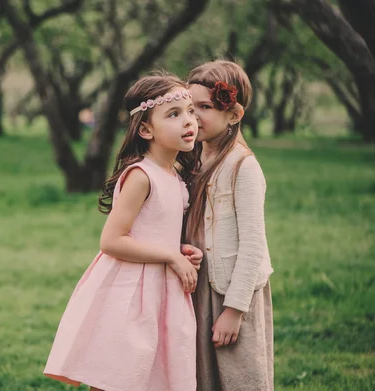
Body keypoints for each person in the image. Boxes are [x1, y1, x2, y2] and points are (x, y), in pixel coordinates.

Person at [44, 72, 201, 391]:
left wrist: (180, 249)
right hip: (130, 293)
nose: (188, 121)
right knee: (118, 377)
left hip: (162, 291)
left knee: (152, 377)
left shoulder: (175, 175)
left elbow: (155, 229)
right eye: (173, 114)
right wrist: (170, 254)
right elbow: (112, 240)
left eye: (191, 111)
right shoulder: (141, 176)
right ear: (145, 129)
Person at [185, 59, 275, 390]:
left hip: (234, 293)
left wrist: (235, 310)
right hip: (199, 288)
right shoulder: (193, 159)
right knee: (203, 376)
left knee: (239, 377)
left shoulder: (243, 167)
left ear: (233, 115)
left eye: (204, 107)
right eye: (187, 106)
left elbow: (253, 245)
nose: (193, 117)